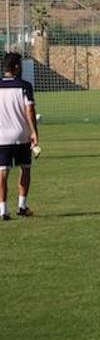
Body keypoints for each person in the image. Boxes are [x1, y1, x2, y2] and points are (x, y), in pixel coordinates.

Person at [0, 52, 38, 221]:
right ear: (16, 67)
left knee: (2, 173)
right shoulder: (25, 86)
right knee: (25, 168)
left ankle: (3, 210)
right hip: (21, 134)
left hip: (1, 136)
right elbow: (29, 110)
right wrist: (34, 132)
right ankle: (22, 206)